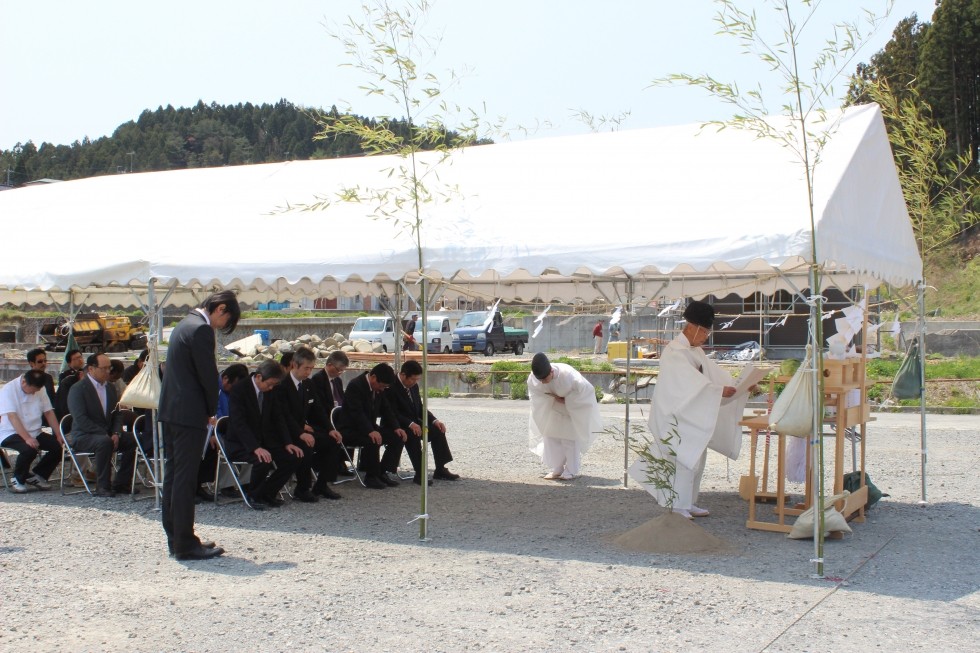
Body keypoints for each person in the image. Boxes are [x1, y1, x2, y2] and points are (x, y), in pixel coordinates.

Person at [628, 301, 750, 519]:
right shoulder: (675, 351)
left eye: (707, 332)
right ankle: (677, 504)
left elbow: (713, 374)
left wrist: (738, 385)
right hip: (676, 414)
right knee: (681, 458)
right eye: (704, 332)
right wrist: (718, 391)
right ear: (692, 327)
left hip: (691, 412)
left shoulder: (694, 351)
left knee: (696, 458)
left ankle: (689, 501)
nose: (705, 337)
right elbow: (688, 383)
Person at [158, 290, 240, 561]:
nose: (221, 326)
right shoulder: (201, 330)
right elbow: (208, 376)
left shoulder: (184, 324)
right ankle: (185, 543)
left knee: (174, 476)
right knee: (185, 479)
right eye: (225, 320)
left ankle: (176, 537)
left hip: (172, 410)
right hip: (189, 413)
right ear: (221, 309)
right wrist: (210, 411)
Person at [225, 360, 300, 509]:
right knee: (262, 460)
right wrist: (255, 447)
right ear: (259, 377)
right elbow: (239, 423)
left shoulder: (270, 390)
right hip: (241, 443)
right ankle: (254, 496)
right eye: (269, 384)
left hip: (264, 440)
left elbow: (278, 417)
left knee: (292, 457)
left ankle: (268, 493)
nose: (271, 388)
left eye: (274, 385)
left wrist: (287, 442)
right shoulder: (239, 389)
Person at [273, 346, 342, 501]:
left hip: (301, 428)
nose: (309, 372)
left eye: (311, 368)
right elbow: (284, 415)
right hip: (286, 431)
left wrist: (330, 429)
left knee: (333, 441)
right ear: (294, 365)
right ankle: (302, 488)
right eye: (306, 368)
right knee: (306, 445)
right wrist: (301, 433)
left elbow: (318, 410)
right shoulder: (282, 385)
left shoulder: (308, 384)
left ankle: (321, 484)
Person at [67, 353, 140, 496]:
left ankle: (122, 482)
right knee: (104, 442)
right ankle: (103, 486)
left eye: (109, 368)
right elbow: (81, 419)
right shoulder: (78, 389)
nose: (108, 372)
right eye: (104, 368)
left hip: (107, 433)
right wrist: (105, 434)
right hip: (84, 435)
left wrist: (116, 432)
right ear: (91, 369)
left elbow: (117, 414)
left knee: (134, 440)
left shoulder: (110, 388)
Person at [527, 353, 602, 480]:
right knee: (551, 437)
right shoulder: (535, 378)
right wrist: (550, 397)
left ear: (551, 371)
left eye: (545, 379)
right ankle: (557, 468)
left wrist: (568, 400)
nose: (542, 382)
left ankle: (570, 470)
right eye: (540, 380)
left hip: (570, 410)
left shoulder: (568, 375)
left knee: (569, 439)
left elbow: (586, 390)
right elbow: (535, 392)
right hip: (552, 408)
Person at [332, 363, 407, 490]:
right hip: (350, 429)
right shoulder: (355, 385)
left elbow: (386, 409)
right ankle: (371, 476)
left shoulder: (378, 389)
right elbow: (357, 413)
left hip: (368, 427)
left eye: (385, 387)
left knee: (397, 437)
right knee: (373, 439)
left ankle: (383, 471)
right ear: (373, 377)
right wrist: (370, 430)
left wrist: (396, 427)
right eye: (381, 386)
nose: (382, 389)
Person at [386, 360, 460, 485]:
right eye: (412, 379)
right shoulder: (391, 386)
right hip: (397, 424)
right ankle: (420, 473)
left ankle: (440, 468)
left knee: (437, 430)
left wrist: (434, 420)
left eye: (417, 379)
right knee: (413, 435)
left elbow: (420, 409)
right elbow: (391, 412)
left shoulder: (413, 386)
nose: (415, 382)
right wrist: (410, 424)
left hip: (415, 423)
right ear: (403, 375)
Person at [0, 370, 64, 493]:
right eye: (33, 390)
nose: (34, 393)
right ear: (24, 382)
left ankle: (38, 475)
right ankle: (17, 478)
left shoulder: (40, 389)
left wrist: (58, 434)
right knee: (29, 449)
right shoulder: (8, 390)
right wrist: (27, 438)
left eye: (36, 390)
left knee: (58, 446)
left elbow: (48, 412)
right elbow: (12, 416)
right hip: (10, 431)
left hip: (34, 430)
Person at [197, 363, 249, 502]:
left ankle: (244, 482)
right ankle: (225, 485)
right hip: (211, 430)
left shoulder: (232, 392)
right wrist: (213, 434)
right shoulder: (213, 389)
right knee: (221, 445)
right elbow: (212, 414)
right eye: (233, 385)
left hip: (226, 429)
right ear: (225, 379)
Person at [310, 350, 354, 477]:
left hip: (337, 417)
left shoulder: (337, 381)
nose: (340, 373)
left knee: (350, 428)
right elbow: (319, 407)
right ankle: (331, 465)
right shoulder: (318, 379)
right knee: (338, 433)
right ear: (329, 365)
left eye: (342, 371)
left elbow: (342, 399)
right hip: (323, 419)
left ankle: (342, 462)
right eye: (339, 370)